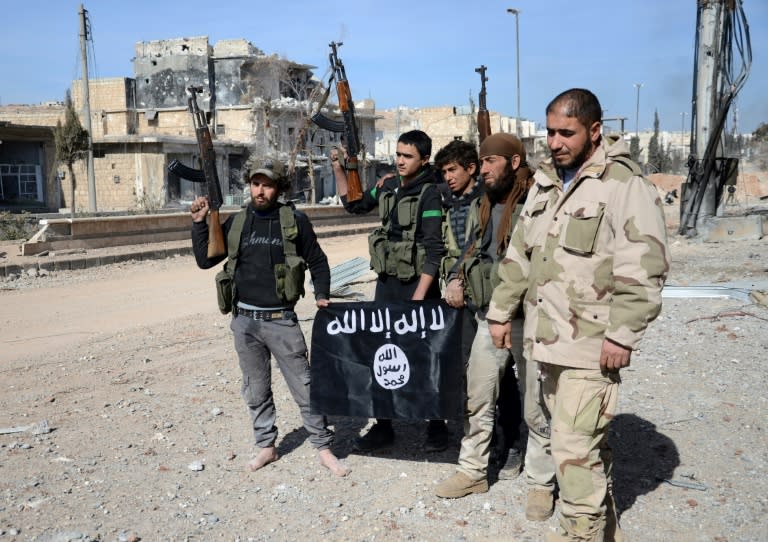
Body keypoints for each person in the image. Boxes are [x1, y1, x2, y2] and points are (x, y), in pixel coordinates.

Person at [487, 89, 670, 541]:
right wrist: (499, 313)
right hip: (547, 339)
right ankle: (605, 528)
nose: (554, 142)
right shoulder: (548, 183)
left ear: (594, 131)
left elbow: (644, 266)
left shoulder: (622, 184)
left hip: (591, 343)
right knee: (583, 442)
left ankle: (580, 532)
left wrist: (622, 336)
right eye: (549, 132)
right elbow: (519, 256)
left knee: (572, 448)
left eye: (565, 132)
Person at [190, 161, 350, 477]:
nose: (260, 191)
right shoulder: (237, 223)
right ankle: (266, 446)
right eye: (255, 184)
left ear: (278, 189)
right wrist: (198, 223)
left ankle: (323, 446)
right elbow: (205, 260)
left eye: (267, 185)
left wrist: (321, 293)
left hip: (280, 320)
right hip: (245, 321)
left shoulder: (293, 221)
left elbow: (317, 260)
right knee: (255, 388)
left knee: (305, 386)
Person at [331, 129, 450, 453]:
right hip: (386, 284)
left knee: (424, 357)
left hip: (417, 287)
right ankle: (384, 426)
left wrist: (417, 301)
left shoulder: (430, 193)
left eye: (407, 156)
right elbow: (354, 205)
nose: (400, 160)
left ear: (424, 159)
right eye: (398, 154)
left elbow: (434, 251)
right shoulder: (388, 185)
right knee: (381, 355)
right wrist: (340, 169)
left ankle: (436, 425)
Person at [433, 133, 536, 498]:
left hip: (527, 319)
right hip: (487, 316)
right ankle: (473, 471)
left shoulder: (535, 202)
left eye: (491, 161)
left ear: (512, 162)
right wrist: (456, 277)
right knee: (477, 398)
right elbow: (472, 250)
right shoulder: (485, 204)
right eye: (482, 161)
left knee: (536, 406)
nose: (485, 169)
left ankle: (540, 478)